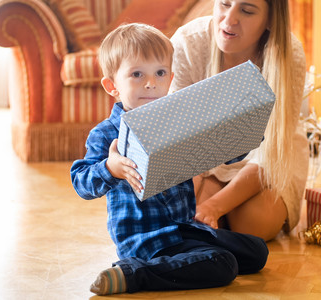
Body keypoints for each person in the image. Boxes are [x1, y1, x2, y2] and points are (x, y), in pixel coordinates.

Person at [70, 23, 268, 296]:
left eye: (160, 73)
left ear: (170, 77)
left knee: (257, 252)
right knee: (224, 264)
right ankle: (135, 274)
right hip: (146, 240)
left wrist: (242, 138)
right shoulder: (106, 134)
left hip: (184, 227)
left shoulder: (176, 119)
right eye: (137, 74)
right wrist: (109, 168)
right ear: (112, 85)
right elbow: (80, 181)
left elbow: (213, 152)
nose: (151, 83)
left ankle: (183, 260)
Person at [170, 0, 309, 241]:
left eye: (246, 10)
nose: (229, 19)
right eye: (224, 3)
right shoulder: (187, 42)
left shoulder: (289, 54)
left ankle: (221, 217)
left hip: (266, 162)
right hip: (201, 160)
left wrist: (214, 206)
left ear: (270, 20)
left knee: (252, 225)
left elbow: (271, 152)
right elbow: (180, 141)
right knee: (188, 216)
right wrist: (189, 195)